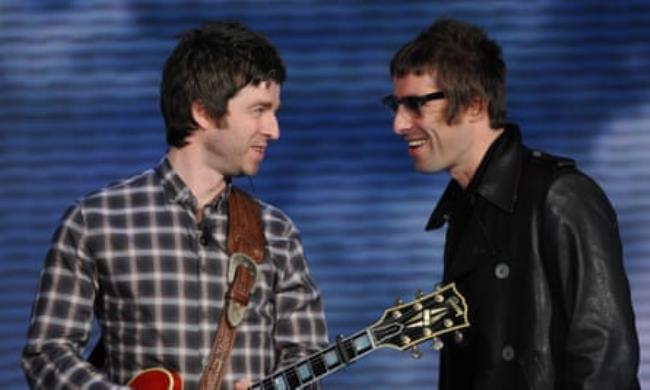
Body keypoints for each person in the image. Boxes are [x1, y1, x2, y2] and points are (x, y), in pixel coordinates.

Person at [22, 21, 328, 389]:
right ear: (202, 113)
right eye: (259, 110)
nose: (274, 129)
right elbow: (47, 352)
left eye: (274, 111)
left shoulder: (277, 232)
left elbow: (306, 358)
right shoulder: (95, 220)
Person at [383, 18, 639, 390]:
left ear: (473, 105)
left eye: (415, 105)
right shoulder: (465, 210)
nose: (399, 124)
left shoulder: (561, 197)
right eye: (395, 104)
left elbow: (605, 365)